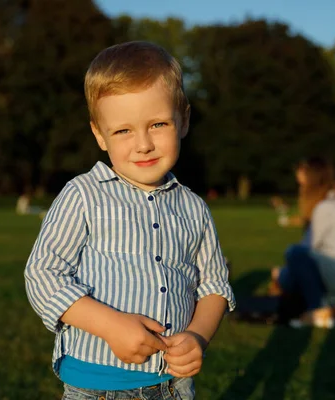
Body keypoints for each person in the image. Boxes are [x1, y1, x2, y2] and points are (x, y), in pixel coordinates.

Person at [24, 41, 235, 400]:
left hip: (172, 386)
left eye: (157, 124)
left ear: (183, 120)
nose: (143, 144)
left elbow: (214, 285)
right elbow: (43, 274)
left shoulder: (194, 208)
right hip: (95, 386)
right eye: (123, 130)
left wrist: (198, 335)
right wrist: (109, 325)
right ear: (99, 135)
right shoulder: (83, 195)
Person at [270, 158, 335, 329]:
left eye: (302, 185)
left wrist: (280, 275)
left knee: (293, 256)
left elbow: (305, 252)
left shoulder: (324, 208)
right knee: (293, 270)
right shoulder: (334, 203)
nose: (300, 191)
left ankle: (318, 310)